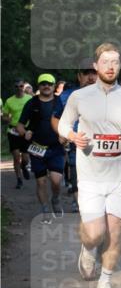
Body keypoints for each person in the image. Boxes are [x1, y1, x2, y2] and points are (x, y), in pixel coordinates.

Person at [57, 43, 121, 288]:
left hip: (120, 173)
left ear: (120, 66)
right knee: (95, 233)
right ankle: (88, 249)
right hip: (90, 175)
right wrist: (72, 135)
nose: (110, 66)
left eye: (115, 62)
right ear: (96, 66)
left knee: (115, 231)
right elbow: (63, 124)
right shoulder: (79, 97)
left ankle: (105, 283)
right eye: (105, 62)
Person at [16, 73, 65, 221]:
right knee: (41, 181)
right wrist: (24, 133)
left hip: (56, 148)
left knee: (56, 181)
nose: (46, 86)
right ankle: (45, 210)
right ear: (39, 86)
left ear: (54, 86)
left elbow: (68, 121)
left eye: (49, 84)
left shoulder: (60, 102)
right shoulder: (32, 103)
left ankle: (55, 198)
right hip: (37, 148)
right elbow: (20, 125)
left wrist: (65, 135)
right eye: (43, 84)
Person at [55, 61, 98, 212]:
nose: (91, 77)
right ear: (79, 76)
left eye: (94, 73)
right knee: (78, 180)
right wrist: (63, 133)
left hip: (101, 147)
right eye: (86, 73)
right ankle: (81, 207)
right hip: (77, 144)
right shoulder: (67, 96)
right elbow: (55, 118)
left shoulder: (109, 95)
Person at [2, 80, 32, 188]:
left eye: (21, 86)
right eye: (17, 86)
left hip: (25, 130)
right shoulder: (9, 101)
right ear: (14, 87)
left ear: (24, 87)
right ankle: (19, 179)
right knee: (16, 156)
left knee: (25, 158)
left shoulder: (29, 99)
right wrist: (7, 119)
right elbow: (4, 116)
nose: (19, 88)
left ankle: (24, 166)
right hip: (13, 131)